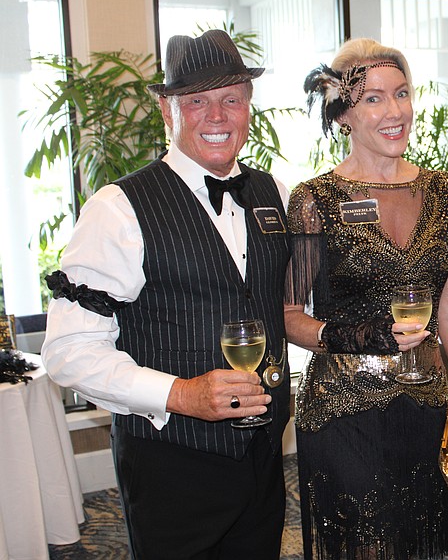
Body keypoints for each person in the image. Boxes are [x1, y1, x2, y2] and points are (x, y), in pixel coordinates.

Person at [41, 30, 291, 559]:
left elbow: (287, 306)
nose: (216, 116)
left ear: (248, 104)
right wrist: (182, 394)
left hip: (264, 457)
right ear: (166, 110)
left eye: (230, 98)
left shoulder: (274, 193)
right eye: (196, 101)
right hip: (172, 466)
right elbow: (68, 352)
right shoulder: (118, 207)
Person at [285, 38, 448, 559]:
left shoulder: (447, 192)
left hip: (422, 407)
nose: (394, 111)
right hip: (342, 412)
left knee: (420, 546)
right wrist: (352, 336)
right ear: (343, 112)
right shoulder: (315, 200)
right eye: (373, 98)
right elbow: (288, 316)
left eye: (401, 93)